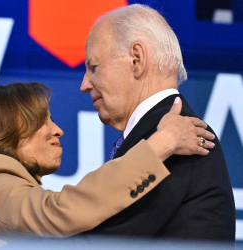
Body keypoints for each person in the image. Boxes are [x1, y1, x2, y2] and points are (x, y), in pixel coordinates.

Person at [0, 82, 213, 249]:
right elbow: (62, 212)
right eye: (42, 121)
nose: (57, 130)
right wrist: (160, 146)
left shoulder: (1, 190)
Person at [79, 4, 235, 241]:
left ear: (137, 59)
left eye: (93, 67)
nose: (85, 85)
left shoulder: (179, 139)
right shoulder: (162, 132)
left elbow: (103, 242)